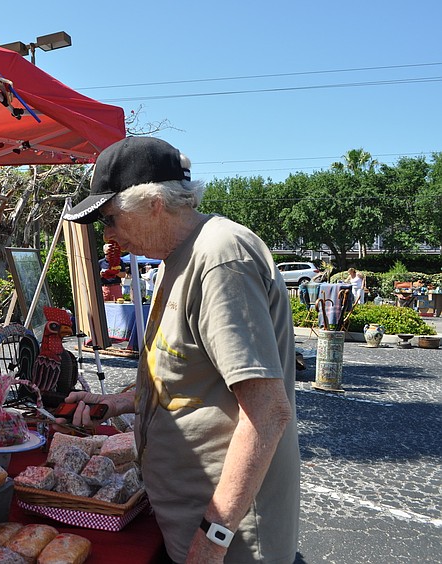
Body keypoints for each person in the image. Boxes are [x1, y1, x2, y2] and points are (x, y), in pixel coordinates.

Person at [62, 137, 299, 563]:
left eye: (111, 218)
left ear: (152, 203)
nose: (108, 234)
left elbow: (268, 413)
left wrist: (212, 539)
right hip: (193, 520)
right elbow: (190, 375)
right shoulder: (178, 258)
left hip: (233, 539)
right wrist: (121, 402)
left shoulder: (220, 257)